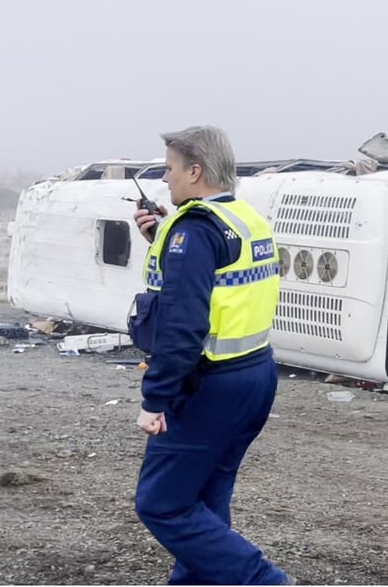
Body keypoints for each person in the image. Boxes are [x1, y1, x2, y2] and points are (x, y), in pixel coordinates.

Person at [130, 125, 293, 585]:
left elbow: (183, 327)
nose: (165, 180)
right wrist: (163, 237)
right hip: (256, 376)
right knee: (205, 496)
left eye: (170, 169)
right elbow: (224, 282)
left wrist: (154, 399)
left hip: (210, 386)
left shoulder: (195, 231)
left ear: (195, 171)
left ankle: (264, 581)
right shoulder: (243, 218)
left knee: (161, 502)